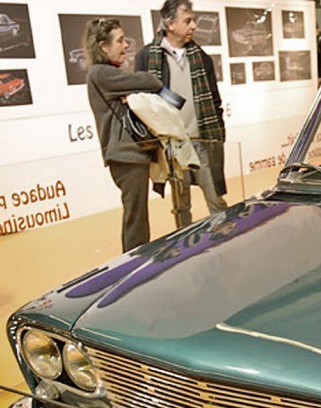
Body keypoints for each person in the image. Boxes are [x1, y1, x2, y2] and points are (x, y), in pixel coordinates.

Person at [136, 0, 227, 228]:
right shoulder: (147, 57)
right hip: (172, 145)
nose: (194, 26)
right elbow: (144, 102)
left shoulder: (201, 57)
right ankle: (184, 242)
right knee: (181, 204)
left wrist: (218, 135)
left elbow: (215, 101)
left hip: (202, 141)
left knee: (216, 199)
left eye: (193, 20)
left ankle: (225, 237)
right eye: (187, 21)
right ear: (170, 24)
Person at [85, 18, 163, 251]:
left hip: (128, 156)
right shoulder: (102, 73)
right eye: (120, 41)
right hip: (126, 157)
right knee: (136, 222)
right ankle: (135, 264)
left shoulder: (105, 73)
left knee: (136, 217)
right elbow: (151, 81)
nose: (126, 45)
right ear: (103, 47)